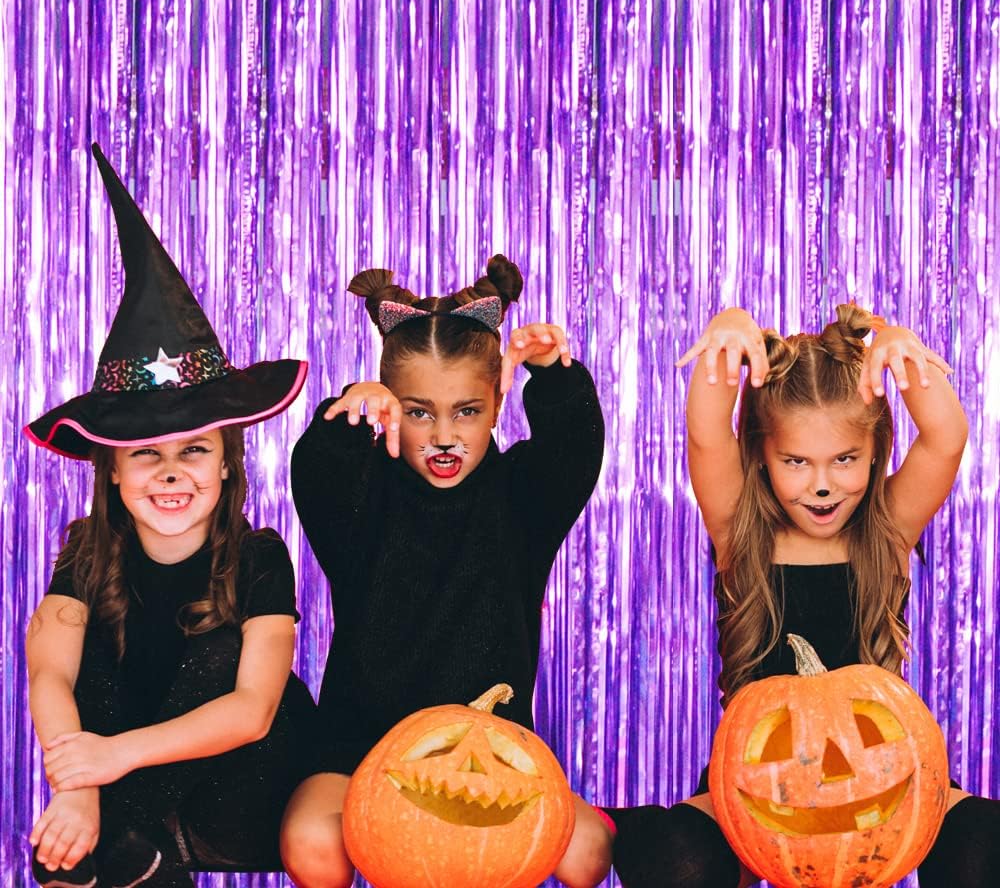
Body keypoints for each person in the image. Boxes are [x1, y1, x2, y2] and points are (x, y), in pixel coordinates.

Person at [608, 304, 998, 887]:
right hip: (758, 775)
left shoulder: (888, 528)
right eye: (796, 462)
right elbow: (706, 434)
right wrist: (730, 332)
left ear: (875, 450)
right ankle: (613, 826)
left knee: (982, 847)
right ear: (762, 457)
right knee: (679, 861)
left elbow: (946, 439)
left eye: (845, 460)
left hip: (881, 771)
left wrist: (900, 348)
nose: (821, 485)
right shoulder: (739, 531)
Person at [24, 144, 314, 888]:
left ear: (227, 464)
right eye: (146, 454)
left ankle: (119, 845)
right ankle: (124, 849)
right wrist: (76, 784)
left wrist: (108, 761)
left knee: (219, 656)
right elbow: (49, 673)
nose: (172, 472)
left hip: (235, 796)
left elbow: (252, 711)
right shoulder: (86, 552)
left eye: (194, 450)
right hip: (113, 784)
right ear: (113, 470)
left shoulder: (259, 556)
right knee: (87, 660)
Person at [279, 258, 613, 888]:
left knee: (585, 852)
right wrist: (348, 417)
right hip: (360, 746)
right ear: (391, 409)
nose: (443, 437)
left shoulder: (521, 501)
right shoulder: (362, 502)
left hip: (490, 751)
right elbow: (318, 475)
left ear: (496, 406)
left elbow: (574, 447)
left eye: (465, 412)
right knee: (314, 845)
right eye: (418, 412)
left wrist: (553, 374)